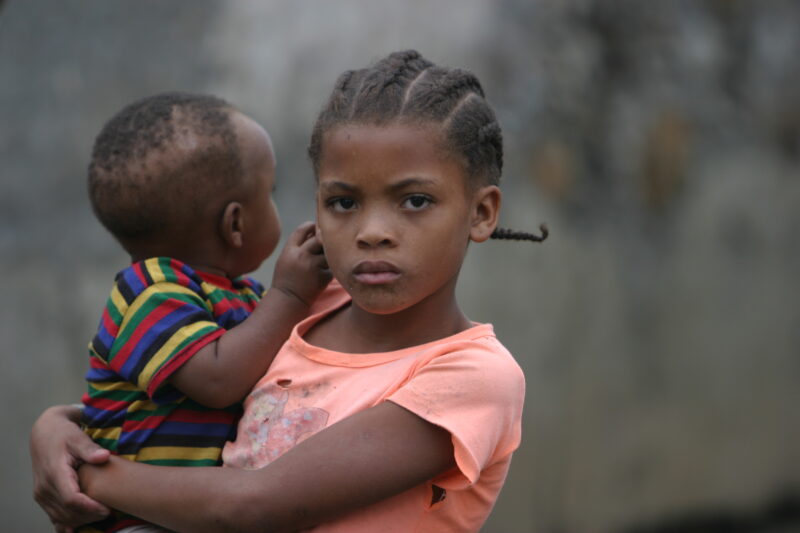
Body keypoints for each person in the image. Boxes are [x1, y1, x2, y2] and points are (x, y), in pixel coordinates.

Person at [31, 50, 548, 532]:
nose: (372, 231)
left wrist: (87, 475)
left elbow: (251, 504)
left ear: (481, 212)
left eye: (414, 200)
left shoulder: (473, 378)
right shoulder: (288, 314)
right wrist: (55, 428)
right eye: (344, 203)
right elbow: (159, 403)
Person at [65, 92, 330, 532]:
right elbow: (217, 380)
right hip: (133, 521)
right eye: (271, 192)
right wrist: (290, 295)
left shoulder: (241, 294)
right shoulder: (146, 292)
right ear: (235, 225)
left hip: (191, 512)